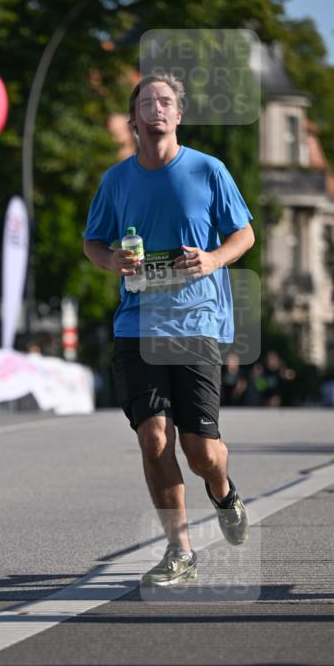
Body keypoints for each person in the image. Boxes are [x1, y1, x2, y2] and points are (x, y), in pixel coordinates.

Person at [84, 73, 255, 587]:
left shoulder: (208, 170)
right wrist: (111, 261)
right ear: (133, 117)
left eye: (165, 102)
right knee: (155, 438)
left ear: (178, 115)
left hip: (195, 321)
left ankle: (223, 491)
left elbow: (244, 234)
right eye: (147, 102)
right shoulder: (117, 180)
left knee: (201, 450)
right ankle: (179, 550)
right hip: (137, 323)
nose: (156, 108)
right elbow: (93, 242)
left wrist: (213, 259)